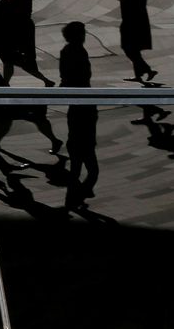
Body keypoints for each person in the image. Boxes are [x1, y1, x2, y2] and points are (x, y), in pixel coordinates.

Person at [59, 21, 98, 210]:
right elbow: (79, 78)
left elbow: (64, 78)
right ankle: (77, 197)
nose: (85, 35)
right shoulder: (78, 53)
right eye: (83, 32)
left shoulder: (66, 52)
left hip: (76, 109)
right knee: (92, 170)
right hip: (85, 108)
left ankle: (73, 199)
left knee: (76, 166)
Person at [0, 0, 55, 87]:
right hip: (25, 28)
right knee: (12, 60)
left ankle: (5, 84)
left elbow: (13, 12)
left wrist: (5, 4)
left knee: (14, 60)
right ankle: (5, 83)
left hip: (18, 30)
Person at [116, 0, 157, 82]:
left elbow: (133, 3)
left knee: (128, 47)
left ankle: (147, 70)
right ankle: (139, 75)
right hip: (136, 20)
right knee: (133, 48)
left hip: (132, 21)